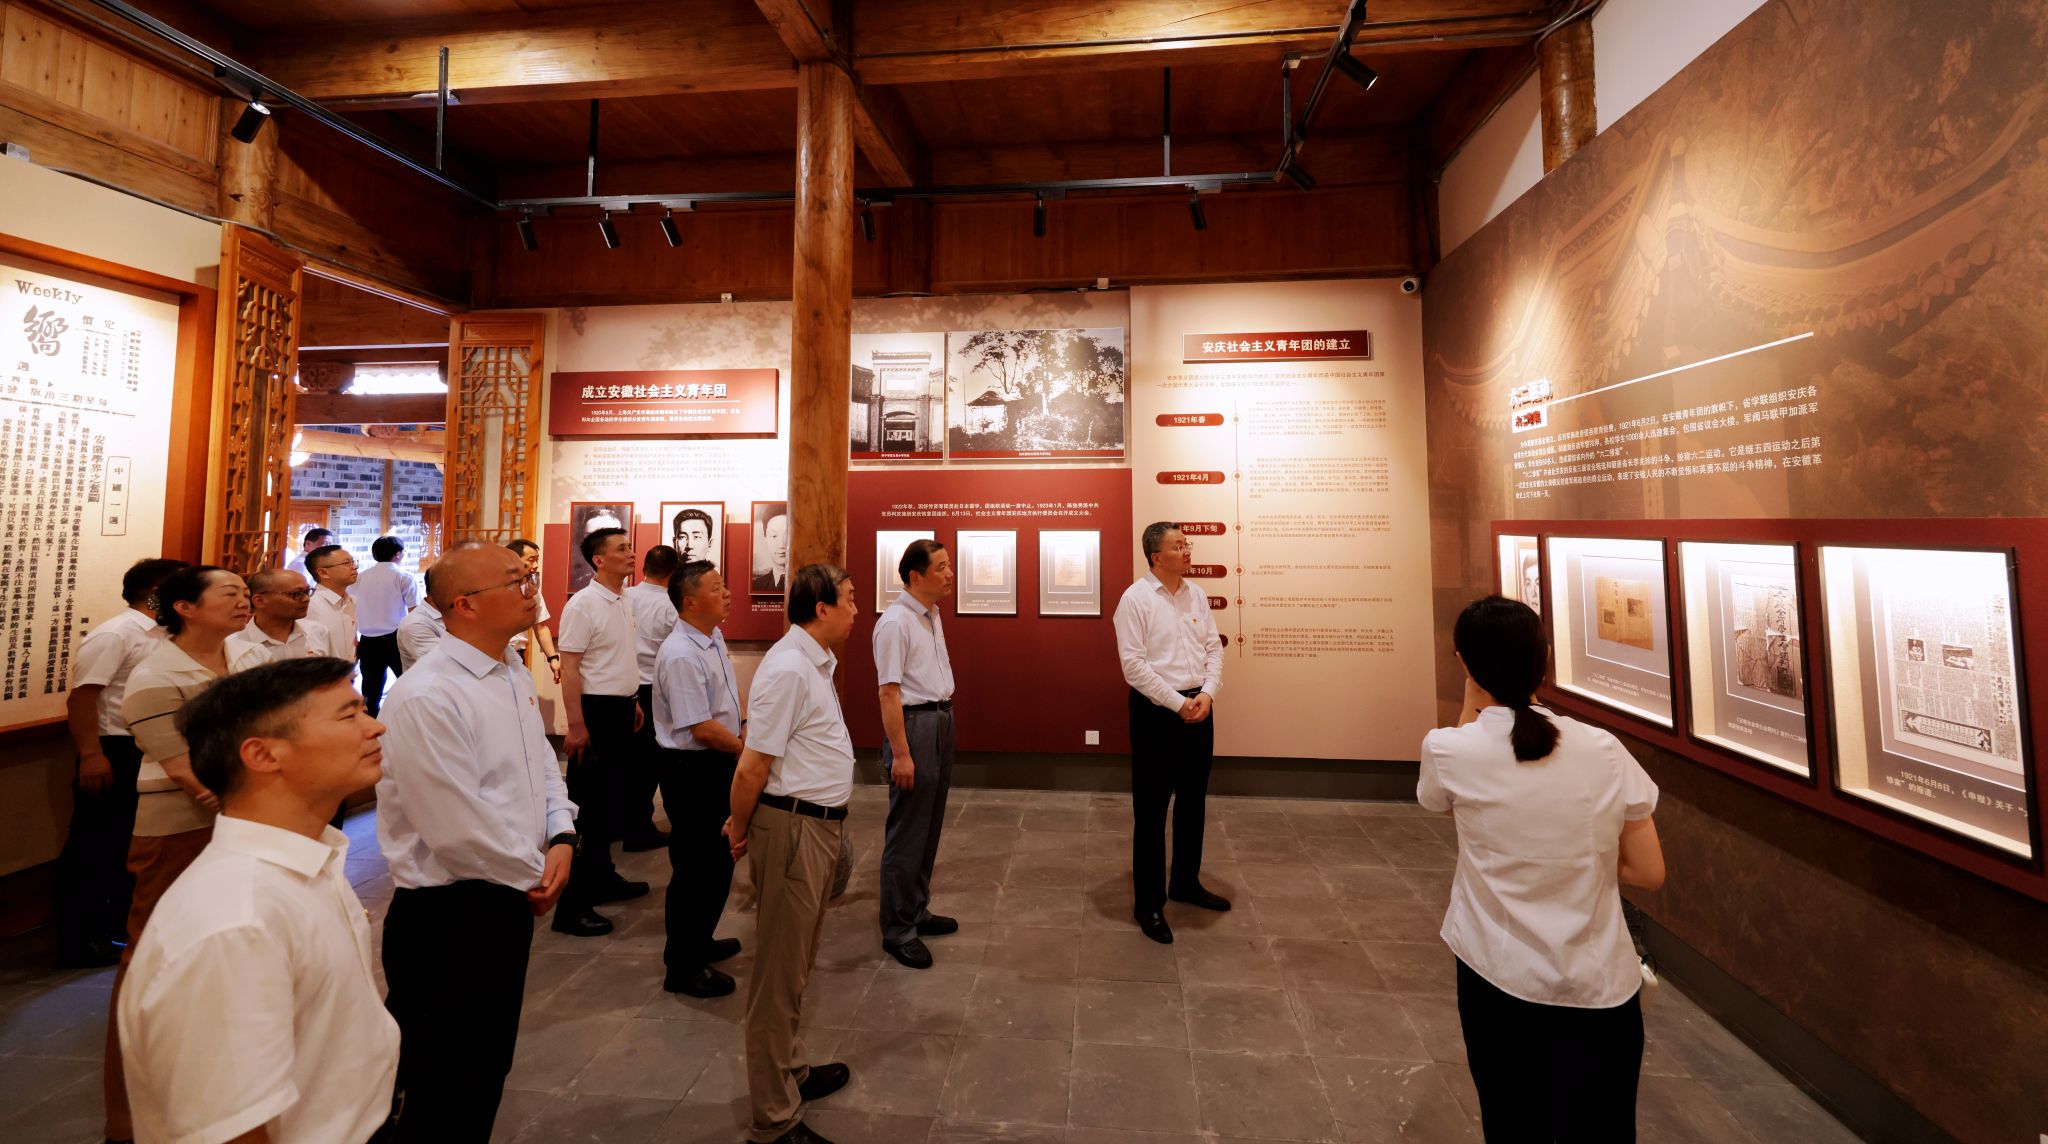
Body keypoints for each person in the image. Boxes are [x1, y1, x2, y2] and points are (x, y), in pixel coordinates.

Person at [117, 657, 400, 1144]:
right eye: (348, 714)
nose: (375, 726)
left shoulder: (310, 863)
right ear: (263, 754)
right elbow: (228, 1129)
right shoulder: (234, 919)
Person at [1420, 595, 1666, 1142]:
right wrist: (1581, 857)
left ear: (1464, 665)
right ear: (1545, 659)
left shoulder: (1449, 749)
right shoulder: (1604, 749)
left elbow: (1440, 801)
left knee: (1512, 1126)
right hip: (1601, 988)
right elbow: (1649, 872)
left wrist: (1473, 696)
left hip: (1497, 978)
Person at [375, 544, 579, 1143]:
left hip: (506, 892)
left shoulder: (509, 668)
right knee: (442, 1082)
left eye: (529, 578)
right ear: (464, 604)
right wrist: (536, 872)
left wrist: (562, 833)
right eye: (516, 581)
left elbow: (541, 763)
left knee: (486, 1067)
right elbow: (456, 828)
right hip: (451, 910)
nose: (531, 590)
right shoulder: (429, 693)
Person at [106, 564, 270, 1143]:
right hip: (179, 828)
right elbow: (184, 771)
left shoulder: (248, 658)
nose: (244, 601)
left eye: (246, 593)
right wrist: (260, 809)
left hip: (242, 822)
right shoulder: (156, 673)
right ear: (185, 608)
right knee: (154, 957)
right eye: (229, 594)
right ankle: (127, 1114)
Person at [726, 562, 858, 1144]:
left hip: (815, 826)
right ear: (822, 608)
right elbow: (752, 766)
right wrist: (739, 828)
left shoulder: (814, 662)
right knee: (777, 977)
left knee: (797, 963)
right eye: (849, 599)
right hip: (793, 830)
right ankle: (773, 1119)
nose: (856, 609)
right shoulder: (787, 668)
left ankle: (792, 1069)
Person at [53, 557, 187, 969]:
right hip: (113, 749)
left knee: (127, 843)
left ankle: (115, 925)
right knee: (95, 843)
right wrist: (92, 755)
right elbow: (83, 698)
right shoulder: (117, 633)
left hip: (147, 748)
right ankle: (79, 938)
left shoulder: (165, 633)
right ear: (156, 594)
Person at [1112, 521, 1228, 945]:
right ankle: (1148, 904)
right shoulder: (1135, 599)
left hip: (1200, 708)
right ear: (1156, 556)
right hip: (1157, 713)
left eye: (1186, 543)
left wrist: (1208, 693)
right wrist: (1179, 703)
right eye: (1178, 546)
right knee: (1151, 809)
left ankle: (1185, 882)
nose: (1187, 550)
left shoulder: (1195, 594)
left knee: (1193, 800)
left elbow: (1213, 648)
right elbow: (1134, 666)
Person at [652, 559, 746, 997]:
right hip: (693, 770)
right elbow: (700, 727)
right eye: (716, 587)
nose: (726, 593)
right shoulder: (680, 654)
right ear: (690, 602)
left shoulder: (712, 637)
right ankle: (683, 966)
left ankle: (700, 940)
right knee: (695, 867)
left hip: (717, 761)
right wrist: (745, 750)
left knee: (718, 861)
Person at [555, 525, 652, 936]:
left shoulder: (624, 598)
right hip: (594, 713)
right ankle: (571, 907)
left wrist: (632, 701)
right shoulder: (583, 604)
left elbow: (617, 658)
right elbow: (571, 668)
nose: (631, 553)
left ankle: (603, 877)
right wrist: (576, 725)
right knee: (589, 809)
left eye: (630, 546)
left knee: (612, 803)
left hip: (620, 709)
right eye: (622, 548)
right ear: (599, 559)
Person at [873, 539, 959, 970]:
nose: (950, 573)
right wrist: (902, 754)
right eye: (941, 567)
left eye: (949, 565)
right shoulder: (895, 622)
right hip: (914, 727)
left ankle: (916, 908)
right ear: (915, 576)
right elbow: (888, 694)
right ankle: (897, 929)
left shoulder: (931, 614)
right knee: (907, 832)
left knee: (929, 826)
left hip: (939, 720)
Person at [624, 545, 682, 852]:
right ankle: (639, 830)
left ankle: (623, 825)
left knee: (626, 762)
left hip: (623, 688)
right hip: (652, 691)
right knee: (648, 766)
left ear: (644, 567)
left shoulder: (625, 596)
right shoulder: (671, 606)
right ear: (674, 572)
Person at [352, 535, 419, 716]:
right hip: (395, 638)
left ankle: (370, 723)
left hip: (367, 641)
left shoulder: (358, 578)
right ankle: (407, 719)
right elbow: (415, 612)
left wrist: (354, 639)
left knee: (370, 690)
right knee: (409, 683)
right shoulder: (404, 577)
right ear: (398, 554)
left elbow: (350, 610)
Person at [232, 568, 350, 663]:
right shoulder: (235, 643)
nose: (306, 599)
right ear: (259, 601)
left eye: (307, 592)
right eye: (296, 594)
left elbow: (335, 676)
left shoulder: (317, 632)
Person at [506, 539, 562, 682]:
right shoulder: (496, 589)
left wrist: (553, 658)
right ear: (513, 559)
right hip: (494, 654)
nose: (536, 565)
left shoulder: (532, 590)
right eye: (531, 560)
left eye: (537, 560)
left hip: (517, 654)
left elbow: (540, 627)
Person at [304, 543, 361, 663]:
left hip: (347, 670)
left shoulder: (351, 600)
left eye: (353, 562)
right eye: (346, 563)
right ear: (323, 573)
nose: (354, 567)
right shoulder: (309, 604)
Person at [752, 507, 790, 593]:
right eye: (774, 536)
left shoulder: (809, 585)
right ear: (765, 538)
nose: (781, 544)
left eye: (787, 535)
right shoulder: (757, 586)